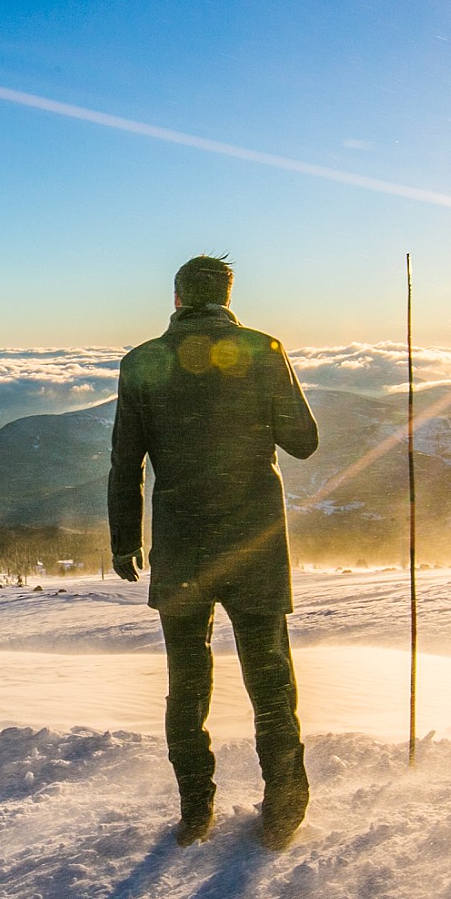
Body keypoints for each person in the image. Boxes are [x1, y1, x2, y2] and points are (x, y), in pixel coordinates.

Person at [107, 255, 320, 849]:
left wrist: (125, 542)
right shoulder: (263, 349)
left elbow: (126, 462)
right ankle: (283, 809)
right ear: (228, 293)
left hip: (181, 544)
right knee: (270, 678)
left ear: (177, 300)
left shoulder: (142, 362)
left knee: (188, 683)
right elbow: (303, 443)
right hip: (253, 541)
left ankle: (196, 809)